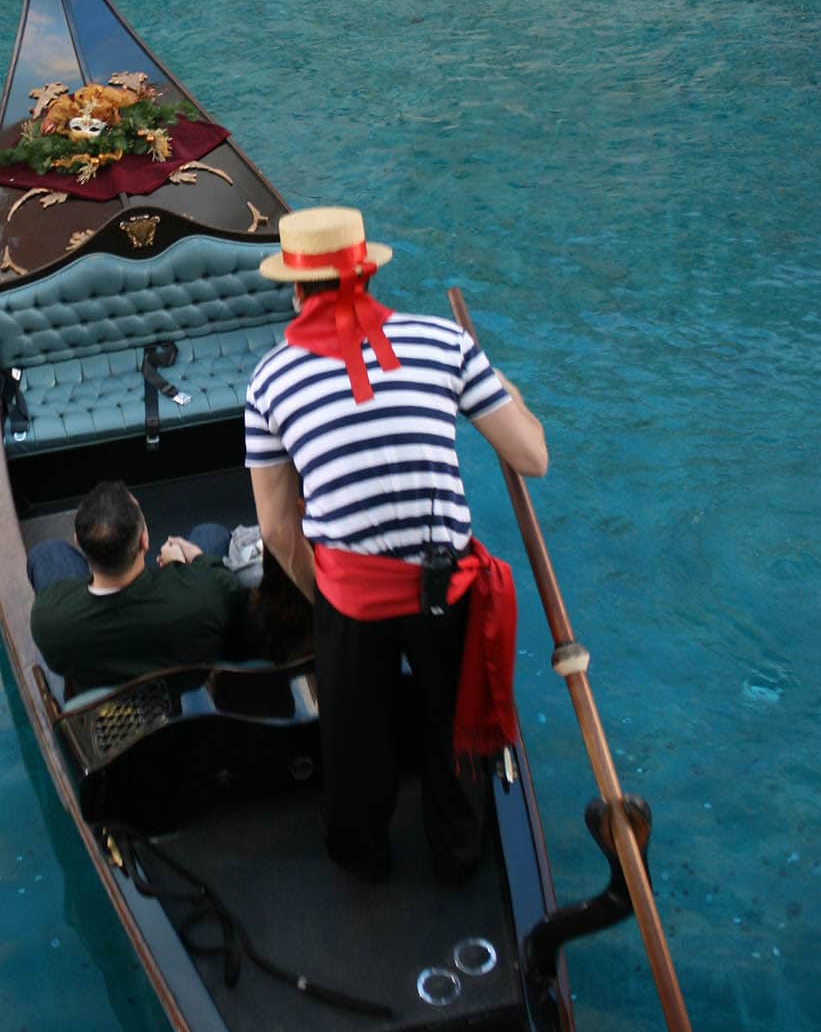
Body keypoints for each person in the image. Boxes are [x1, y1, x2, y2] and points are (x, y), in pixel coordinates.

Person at [245, 206, 547, 887]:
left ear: (294, 289)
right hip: (449, 592)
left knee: (355, 745)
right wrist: (509, 391)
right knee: (453, 735)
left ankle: (363, 860)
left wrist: (324, 595)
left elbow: (275, 528)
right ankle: (459, 856)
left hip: (349, 599)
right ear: (370, 272)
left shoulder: (270, 381)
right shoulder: (446, 344)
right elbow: (533, 457)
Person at [28, 480, 250, 700]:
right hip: (186, 691)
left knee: (47, 554)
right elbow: (227, 583)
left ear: (80, 543)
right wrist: (186, 564)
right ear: (145, 540)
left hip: (112, 713)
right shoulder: (207, 592)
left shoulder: (48, 619)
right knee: (210, 534)